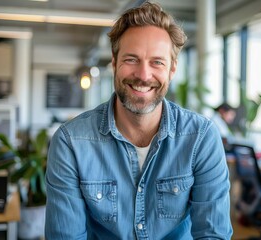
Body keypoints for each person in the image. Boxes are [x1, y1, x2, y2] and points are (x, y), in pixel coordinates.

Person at [45, 2, 232, 239]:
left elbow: (212, 234)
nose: (144, 75)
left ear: (172, 69)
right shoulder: (71, 142)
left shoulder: (201, 138)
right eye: (131, 59)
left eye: (157, 62)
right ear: (114, 63)